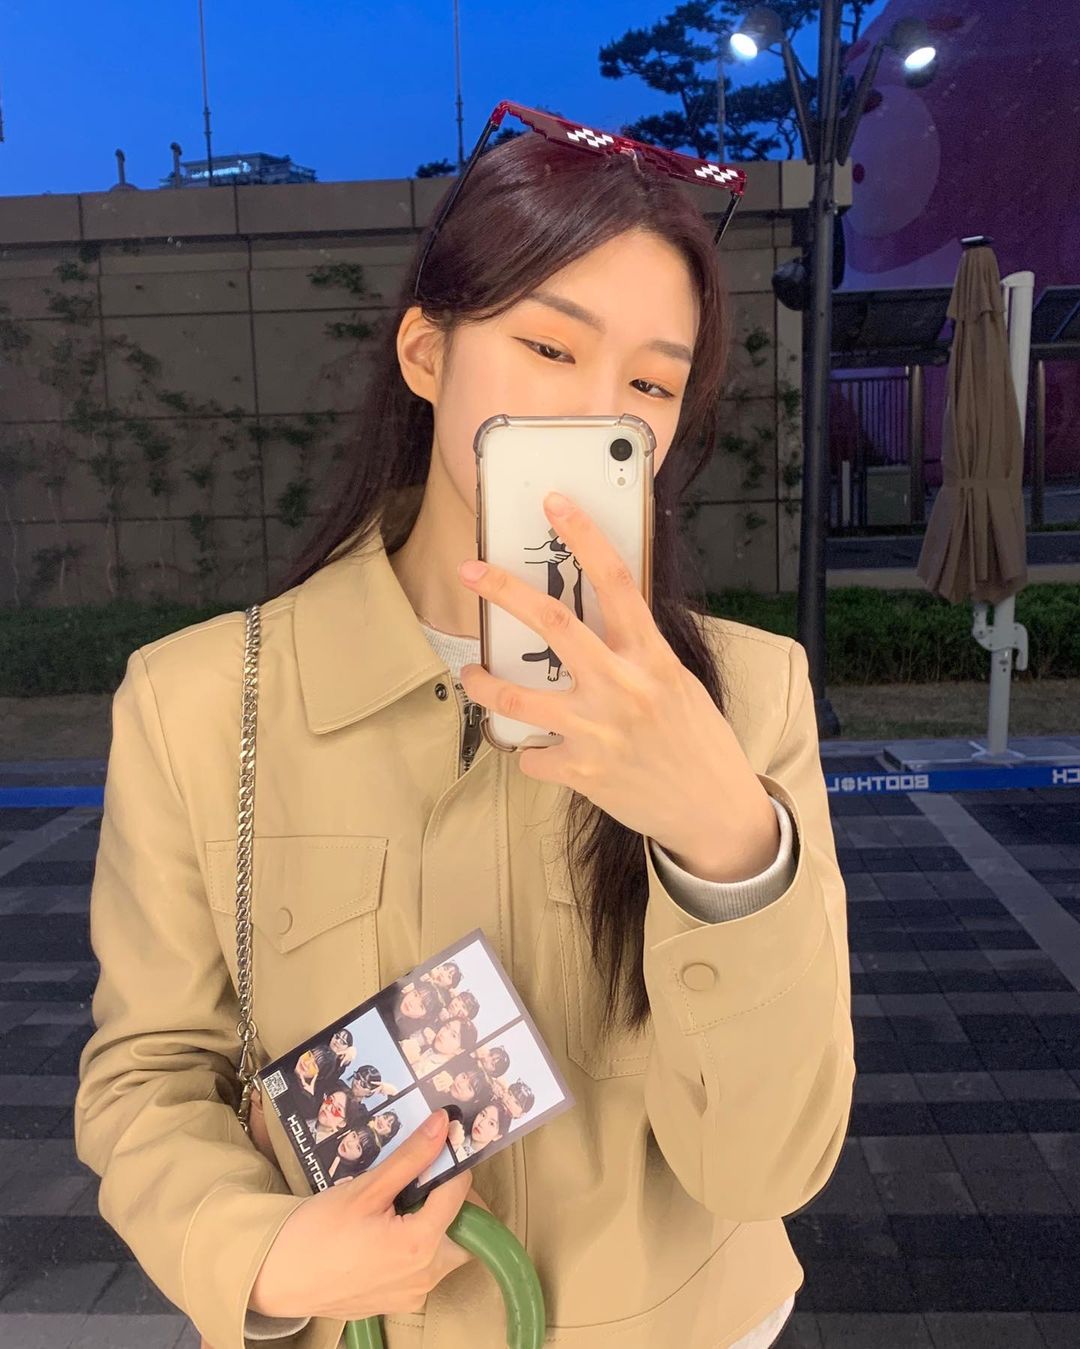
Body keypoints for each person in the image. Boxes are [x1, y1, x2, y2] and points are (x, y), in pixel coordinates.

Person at [75, 120, 851, 1349]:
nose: (597, 411)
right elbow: (149, 1072)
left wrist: (724, 837)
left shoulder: (749, 696)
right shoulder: (201, 702)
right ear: (427, 352)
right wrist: (262, 1252)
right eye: (549, 346)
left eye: (651, 385)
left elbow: (770, 1166)